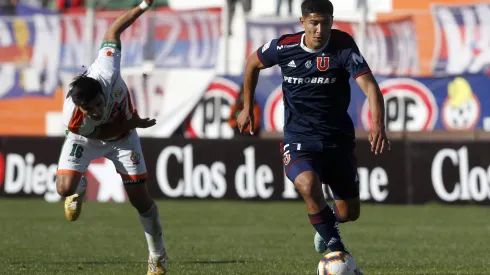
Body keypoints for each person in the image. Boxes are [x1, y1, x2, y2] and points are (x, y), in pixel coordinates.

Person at [236, 0, 389, 271]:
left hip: (337, 141)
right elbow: (252, 64)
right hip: (299, 138)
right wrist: (247, 106)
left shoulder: (342, 46)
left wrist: (378, 125)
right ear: (303, 22)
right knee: (308, 186)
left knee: (348, 213)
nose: (320, 29)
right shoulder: (283, 47)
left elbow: (371, 87)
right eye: (314, 23)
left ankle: (326, 225)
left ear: (332, 21)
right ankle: (338, 255)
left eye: (325, 22)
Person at [55, 1, 168, 274]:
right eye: (88, 109)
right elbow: (100, 131)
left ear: (100, 92)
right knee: (64, 188)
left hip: (123, 139)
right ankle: (79, 189)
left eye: (97, 104)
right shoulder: (73, 117)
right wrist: (133, 121)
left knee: (140, 200)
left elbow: (113, 30)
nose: (94, 110)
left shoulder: (107, 70)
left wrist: (143, 6)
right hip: (94, 137)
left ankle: (157, 257)